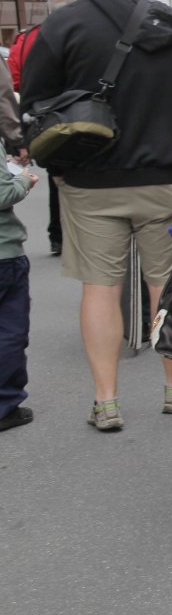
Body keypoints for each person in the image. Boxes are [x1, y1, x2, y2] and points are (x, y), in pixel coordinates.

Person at [19, 0, 172, 431]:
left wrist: (56, 163)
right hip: (167, 178)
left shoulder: (63, 25)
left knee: (100, 289)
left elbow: (36, 101)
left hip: (90, 181)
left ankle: (106, 402)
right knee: (165, 283)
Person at [10, 0, 77, 256]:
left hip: (45, 121)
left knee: (55, 179)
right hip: (82, 116)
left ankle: (57, 236)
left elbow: (16, 82)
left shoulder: (28, 38)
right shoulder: (78, 32)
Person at [0, 86, 38, 432]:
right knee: (9, 330)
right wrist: (24, 180)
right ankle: (5, 404)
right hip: (4, 252)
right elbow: (2, 193)